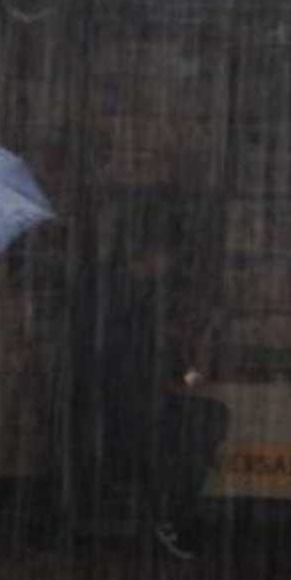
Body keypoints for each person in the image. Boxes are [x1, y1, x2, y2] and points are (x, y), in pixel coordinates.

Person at [90, 199, 228, 559]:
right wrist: (185, 376)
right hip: (125, 410)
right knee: (208, 420)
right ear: (152, 252)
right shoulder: (131, 298)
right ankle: (170, 514)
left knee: (201, 419)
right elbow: (138, 363)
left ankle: (168, 512)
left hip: (118, 405)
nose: (167, 265)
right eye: (166, 255)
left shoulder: (116, 288)